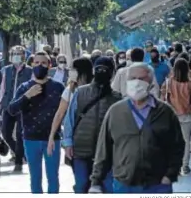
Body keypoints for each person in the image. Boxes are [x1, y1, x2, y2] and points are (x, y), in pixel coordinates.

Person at [89, 62, 185, 194]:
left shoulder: (165, 112)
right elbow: (103, 149)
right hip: (124, 185)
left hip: (157, 185)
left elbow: (178, 146)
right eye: (132, 78)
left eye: (141, 79)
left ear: (150, 82)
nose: (136, 82)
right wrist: (96, 182)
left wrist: (170, 175)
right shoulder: (115, 111)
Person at [62, 57, 122, 193]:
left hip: (107, 153)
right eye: (99, 69)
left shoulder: (117, 98)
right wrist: (68, 143)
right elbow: (69, 119)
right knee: (81, 185)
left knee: (108, 188)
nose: (102, 72)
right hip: (81, 150)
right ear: (94, 71)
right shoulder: (80, 92)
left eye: (105, 70)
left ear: (112, 73)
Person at [8, 51, 65, 193]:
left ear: (50, 65)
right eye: (37, 63)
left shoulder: (58, 87)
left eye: (44, 63)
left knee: (53, 177)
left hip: (52, 138)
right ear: (32, 64)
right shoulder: (24, 87)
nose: (40, 66)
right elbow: (12, 109)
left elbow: (65, 112)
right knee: (35, 178)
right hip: (30, 138)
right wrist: (27, 96)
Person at [47, 57, 93, 157]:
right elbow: (60, 113)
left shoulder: (95, 90)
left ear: (82, 71)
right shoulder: (70, 90)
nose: (70, 72)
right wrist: (51, 136)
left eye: (73, 69)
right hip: (75, 138)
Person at [0, 46, 32, 172]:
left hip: (23, 107)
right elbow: (2, 89)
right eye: (14, 53)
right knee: (5, 133)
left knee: (19, 134)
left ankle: (18, 163)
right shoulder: (5, 70)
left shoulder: (30, 71)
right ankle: (21, 154)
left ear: (24, 56)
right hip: (8, 106)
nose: (16, 56)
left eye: (19, 53)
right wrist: (1, 105)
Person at [161, 58, 191, 175]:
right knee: (186, 141)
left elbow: (163, 97)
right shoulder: (189, 83)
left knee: (172, 141)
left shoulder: (169, 82)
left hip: (172, 115)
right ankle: (184, 166)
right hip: (187, 116)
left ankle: (173, 166)